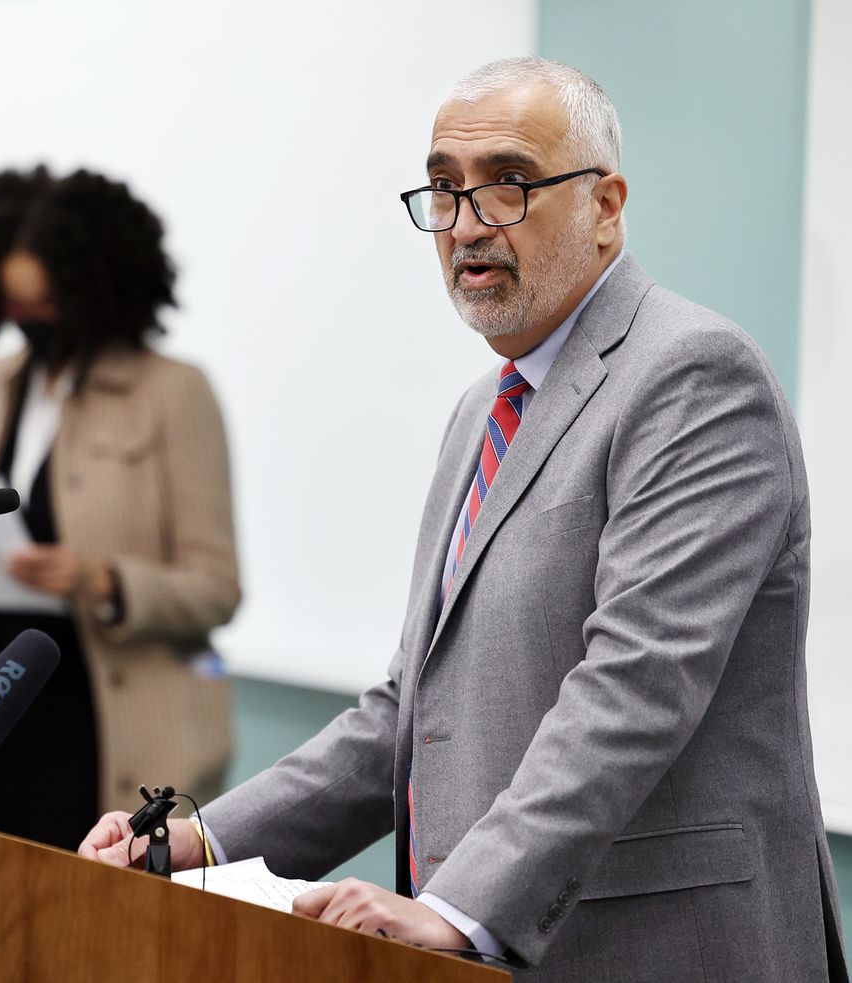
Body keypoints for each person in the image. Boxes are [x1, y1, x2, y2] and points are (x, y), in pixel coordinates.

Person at [80, 57, 847, 982]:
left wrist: (455, 907)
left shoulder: (694, 376)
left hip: (663, 949)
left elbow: (638, 682)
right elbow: (410, 711)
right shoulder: (483, 410)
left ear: (606, 207)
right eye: (445, 189)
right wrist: (197, 840)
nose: (468, 225)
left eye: (509, 185)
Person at [0, 166, 239, 851]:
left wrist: (103, 580)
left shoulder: (174, 393)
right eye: (17, 304)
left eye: (49, 302)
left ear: (97, 288)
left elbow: (217, 588)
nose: (33, 321)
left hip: (100, 733)